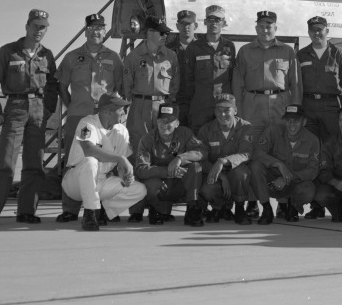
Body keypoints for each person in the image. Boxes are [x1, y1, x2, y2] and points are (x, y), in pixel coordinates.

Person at [0, 8, 59, 227]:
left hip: (39, 110)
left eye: (42, 27)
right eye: (35, 26)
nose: (38, 31)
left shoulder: (47, 55)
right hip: (15, 107)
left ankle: (26, 211)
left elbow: (52, 84)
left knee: (35, 163)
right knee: (6, 162)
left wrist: (49, 110)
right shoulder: (8, 51)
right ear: (26, 26)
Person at [57, 93, 146, 231]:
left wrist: (124, 175)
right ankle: (90, 214)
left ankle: (103, 209)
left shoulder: (122, 130)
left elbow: (121, 163)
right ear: (108, 112)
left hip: (102, 180)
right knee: (90, 162)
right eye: (120, 109)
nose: (123, 113)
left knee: (139, 190)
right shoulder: (86, 123)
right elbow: (88, 150)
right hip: (76, 180)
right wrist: (119, 158)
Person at [56, 12, 124, 159]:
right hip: (77, 115)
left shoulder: (114, 57)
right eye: (92, 28)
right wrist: (73, 106)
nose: (95, 32)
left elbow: (120, 87)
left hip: (105, 116)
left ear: (105, 32)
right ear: (85, 31)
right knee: (73, 156)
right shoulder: (71, 57)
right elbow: (61, 87)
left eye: (99, 28)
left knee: (105, 155)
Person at [131, 103, 206, 226]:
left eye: (169, 121)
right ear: (156, 121)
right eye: (161, 120)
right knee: (151, 183)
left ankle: (192, 209)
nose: (164, 124)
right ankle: (155, 209)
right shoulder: (147, 139)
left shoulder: (186, 134)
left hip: (180, 185)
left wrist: (180, 158)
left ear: (177, 123)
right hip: (162, 185)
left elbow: (202, 151)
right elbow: (141, 169)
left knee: (195, 167)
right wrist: (169, 171)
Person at [233, 10, 301, 139]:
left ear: (275, 28)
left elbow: (296, 84)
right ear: (256, 28)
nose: (264, 31)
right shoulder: (244, 51)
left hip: (281, 105)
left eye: (268, 27)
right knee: (251, 141)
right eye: (261, 27)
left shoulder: (287, 51)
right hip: (253, 106)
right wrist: (239, 112)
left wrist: (295, 112)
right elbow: (237, 85)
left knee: (281, 141)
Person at [250, 104, 320, 224]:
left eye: (296, 121)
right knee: (255, 166)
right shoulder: (273, 131)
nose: (291, 124)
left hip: (294, 183)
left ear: (304, 122)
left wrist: (287, 177)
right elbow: (257, 152)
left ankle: (293, 207)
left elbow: (313, 171)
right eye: (288, 120)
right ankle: (266, 208)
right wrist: (278, 164)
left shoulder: (312, 140)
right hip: (272, 183)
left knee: (309, 190)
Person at [195, 93, 256, 224]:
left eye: (227, 110)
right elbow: (201, 158)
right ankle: (220, 208)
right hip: (216, 174)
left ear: (235, 110)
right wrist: (221, 176)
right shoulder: (206, 130)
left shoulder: (246, 128)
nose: (222, 115)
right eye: (218, 110)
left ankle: (240, 208)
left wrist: (222, 161)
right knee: (207, 188)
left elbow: (246, 154)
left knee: (242, 173)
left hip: (236, 174)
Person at [123, 16, 179, 153]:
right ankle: (139, 173)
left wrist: (169, 102)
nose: (164, 36)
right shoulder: (133, 57)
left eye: (166, 33)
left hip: (163, 106)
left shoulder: (171, 56)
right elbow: (127, 86)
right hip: (140, 106)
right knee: (139, 143)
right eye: (161, 33)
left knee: (163, 144)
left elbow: (175, 83)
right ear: (149, 33)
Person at [296, 16, 342, 145]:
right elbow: (296, 83)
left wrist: (337, 103)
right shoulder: (301, 55)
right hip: (308, 106)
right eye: (313, 30)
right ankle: (313, 165)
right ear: (308, 32)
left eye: (320, 29)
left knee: (332, 143)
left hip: (331, 108)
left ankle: (331, 165)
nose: (316, 33)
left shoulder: (340, 55)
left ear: (327, 31)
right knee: (309, 142)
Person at [180, 4, 237, 132]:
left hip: (223, 107)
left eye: (217, 20)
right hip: (200, 107)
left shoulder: (229, 46)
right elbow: (187, 81)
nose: (214, 23)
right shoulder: (194, 48)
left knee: (223, 143)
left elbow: (233, 77)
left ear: (224, 23)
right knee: (198, 143)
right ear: (205, 22)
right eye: (210, 20)